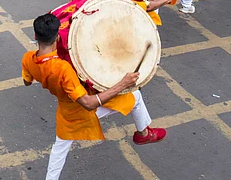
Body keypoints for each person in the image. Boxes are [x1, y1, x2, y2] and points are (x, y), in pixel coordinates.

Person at [23, 12, 164, 180]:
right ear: (58, 39)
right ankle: (143, 134)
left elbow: (27, 81)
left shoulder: (28, 59)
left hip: (64, 111)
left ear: (35, 36)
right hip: (80, 110)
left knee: (59, 149)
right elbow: (88, 104)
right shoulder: (63, 68)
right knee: (134, 98)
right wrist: (122, 84)